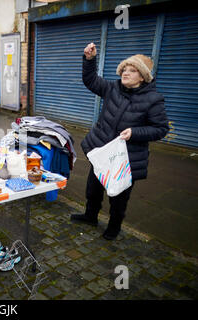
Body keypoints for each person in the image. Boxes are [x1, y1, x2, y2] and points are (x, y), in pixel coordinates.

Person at [71, 42, 169, 240]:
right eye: (124, 69)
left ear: (142, 77)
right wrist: (89, 59)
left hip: (127, 158)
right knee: (93, 188)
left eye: (132, 70)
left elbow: (161, 129)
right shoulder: (112, 88)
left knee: (118, 197)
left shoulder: (153, 99)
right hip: (103, 150)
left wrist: (135, 132)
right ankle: (91, 216)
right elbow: (90, 80)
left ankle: (114, 227)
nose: (125, 73)